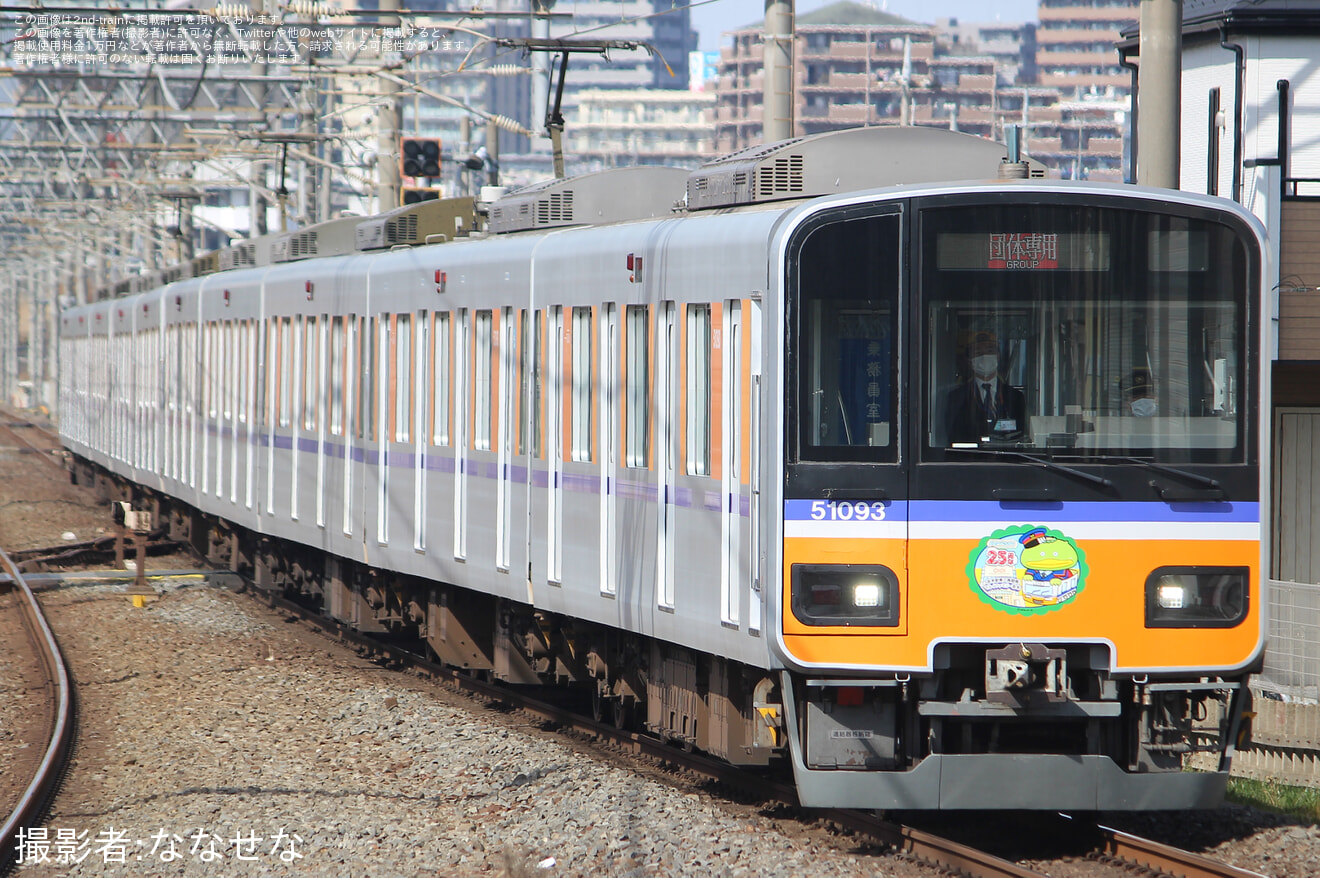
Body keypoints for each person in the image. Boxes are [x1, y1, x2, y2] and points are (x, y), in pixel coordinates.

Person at [944, 331, 1028, 444]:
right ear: (969, 360)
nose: (984, 356)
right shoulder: (956, 397)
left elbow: (1022, 436)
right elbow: (953, 436)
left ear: (998, 356)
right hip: (968, 459)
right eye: (978, 352)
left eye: (989, 351)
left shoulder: (1016, 397)